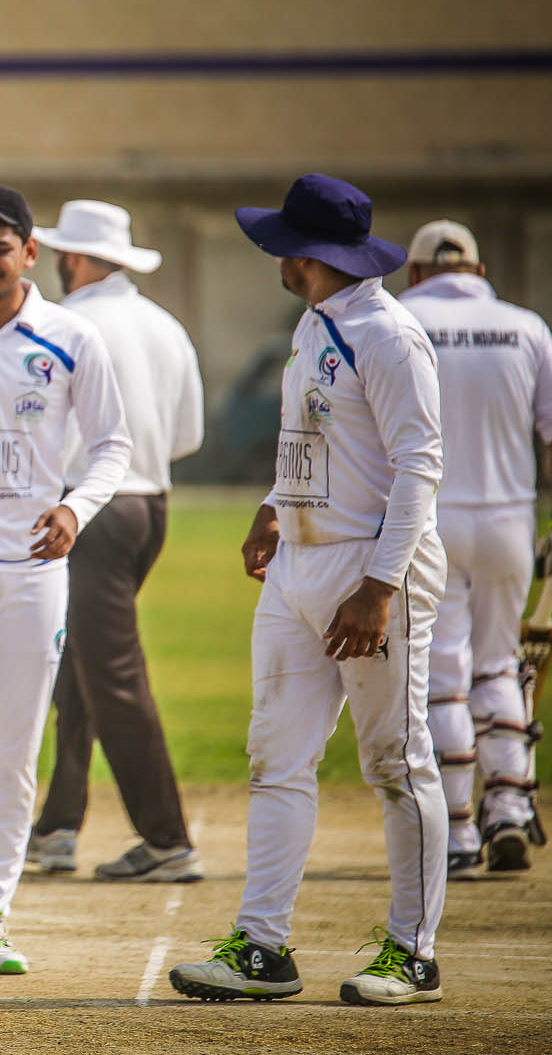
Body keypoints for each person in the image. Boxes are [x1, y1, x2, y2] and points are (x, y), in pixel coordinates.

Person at [169, 174, 448, 1007]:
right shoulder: (315, 318)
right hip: (299, 566)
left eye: (285, 244)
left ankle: (414, 953)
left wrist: (380, 586)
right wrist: (273, 506)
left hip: (372, 572)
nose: (276, 256)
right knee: (276, 757)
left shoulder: (389, 336)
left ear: (313, 254)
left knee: (396, 762)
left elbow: (419, 467)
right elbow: (316, 439)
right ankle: (263, 947)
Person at [0, 185, 131, 974]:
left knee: (13, 749)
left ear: (30, 253)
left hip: (35, 571)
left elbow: (113, 445)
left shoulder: (72, 337)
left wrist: (77, 506)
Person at [28, 199, 207, 881]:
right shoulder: (165, 324)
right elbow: (187, 435)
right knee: (81, 666)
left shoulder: (67, 324)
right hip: (150, 504)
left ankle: (166, 840)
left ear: (74, 258)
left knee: (112, 675)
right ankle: (57, 826)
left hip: (89, 510)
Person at [399, 219, 552, 877]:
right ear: (480, 272)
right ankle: (510, 807)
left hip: (426, 521)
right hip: (508, 520)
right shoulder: (526, 327)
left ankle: (458, 830)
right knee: (498, 666)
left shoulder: (399, 320)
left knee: (443, 678)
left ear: (415, 273)